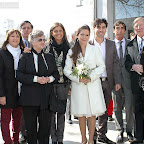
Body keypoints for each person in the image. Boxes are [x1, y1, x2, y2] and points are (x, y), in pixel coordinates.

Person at [64, 25, 106, 144]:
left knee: (92, 114)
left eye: (87, 35)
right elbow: (67, 70)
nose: (84, 37)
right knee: (81, 114)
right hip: (79, 86)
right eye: (82, 34)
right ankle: (83, 139)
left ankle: (91, 140)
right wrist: (78, 78)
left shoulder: (94, 49)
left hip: (93, 85)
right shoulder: (72, 51)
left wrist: (90, 77)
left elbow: (101, 66)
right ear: (77, 35)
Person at [16, 30, 59, 144]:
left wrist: (49, 79)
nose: (42, 42)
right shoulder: (25, 56)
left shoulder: (49, 57)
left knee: (45, 129)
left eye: (44, 39)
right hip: (29, 99)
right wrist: (36, 79)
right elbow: (19, 75)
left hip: (46, 99)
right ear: (32, 41)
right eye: (40, 39)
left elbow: (56, 74)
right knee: (31, 130)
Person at [90, 18, 121, 144]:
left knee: (103, 111)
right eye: (98, 27)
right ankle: (91, 137)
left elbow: (116, 63)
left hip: (107, 82)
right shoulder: (88, 44)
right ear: (94, 28)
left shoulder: (111, 44)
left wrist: (117, 81)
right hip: (92, 83)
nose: (101, 30)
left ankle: (102, 136)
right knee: (92, 111)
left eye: (103, 27)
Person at [44, 22, 70, 144]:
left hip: (64, 85)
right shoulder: (47, 47)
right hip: (50, 84)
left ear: (63, 32)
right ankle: (53, 138)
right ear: (52, 33)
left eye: (60, 31)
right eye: (56, 31)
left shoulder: (69, 47)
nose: (58, 33)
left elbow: (73, 66)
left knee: (61, 113)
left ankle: (60, 139)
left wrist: (70, 84)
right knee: (51, 113)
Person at [0, 29, 24, 144]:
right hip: (6, 91)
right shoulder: (2, 53)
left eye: (17, 36)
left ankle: (16, 140)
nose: (15, 38)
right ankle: (7, 141)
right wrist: (1, 95)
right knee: (5, 119)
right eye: (12, 36)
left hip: (20, 91)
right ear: (8, 38)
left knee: (18, 119)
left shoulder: (24, 52)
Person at [113, 21, 134, 143]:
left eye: (122, 28)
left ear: (125, 30)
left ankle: (130, 131)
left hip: (129, 81)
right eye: (117, 28)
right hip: (115, 81)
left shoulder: (131, 44)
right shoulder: (109, 45)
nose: (119, 30)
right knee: (117, 107)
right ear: (113, 30)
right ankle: (119, 130)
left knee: (129, 107)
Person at [125, 17, 144, 144]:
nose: (138, 27)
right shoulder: (130, 44)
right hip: (136, 84)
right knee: (137, 111)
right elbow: (126, 62)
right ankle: (138, 137)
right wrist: (133, 66)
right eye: (136, 25)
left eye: (141, 25)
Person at [19, 20, 33, 143]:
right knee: (22, 109)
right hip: (20, 79)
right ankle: (23, 133)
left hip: (33, 80)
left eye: (28, 28)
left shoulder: (34, 42)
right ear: (21, 30)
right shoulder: (17, 43)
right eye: (24, 28)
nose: (26, 30)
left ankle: (31, 131)